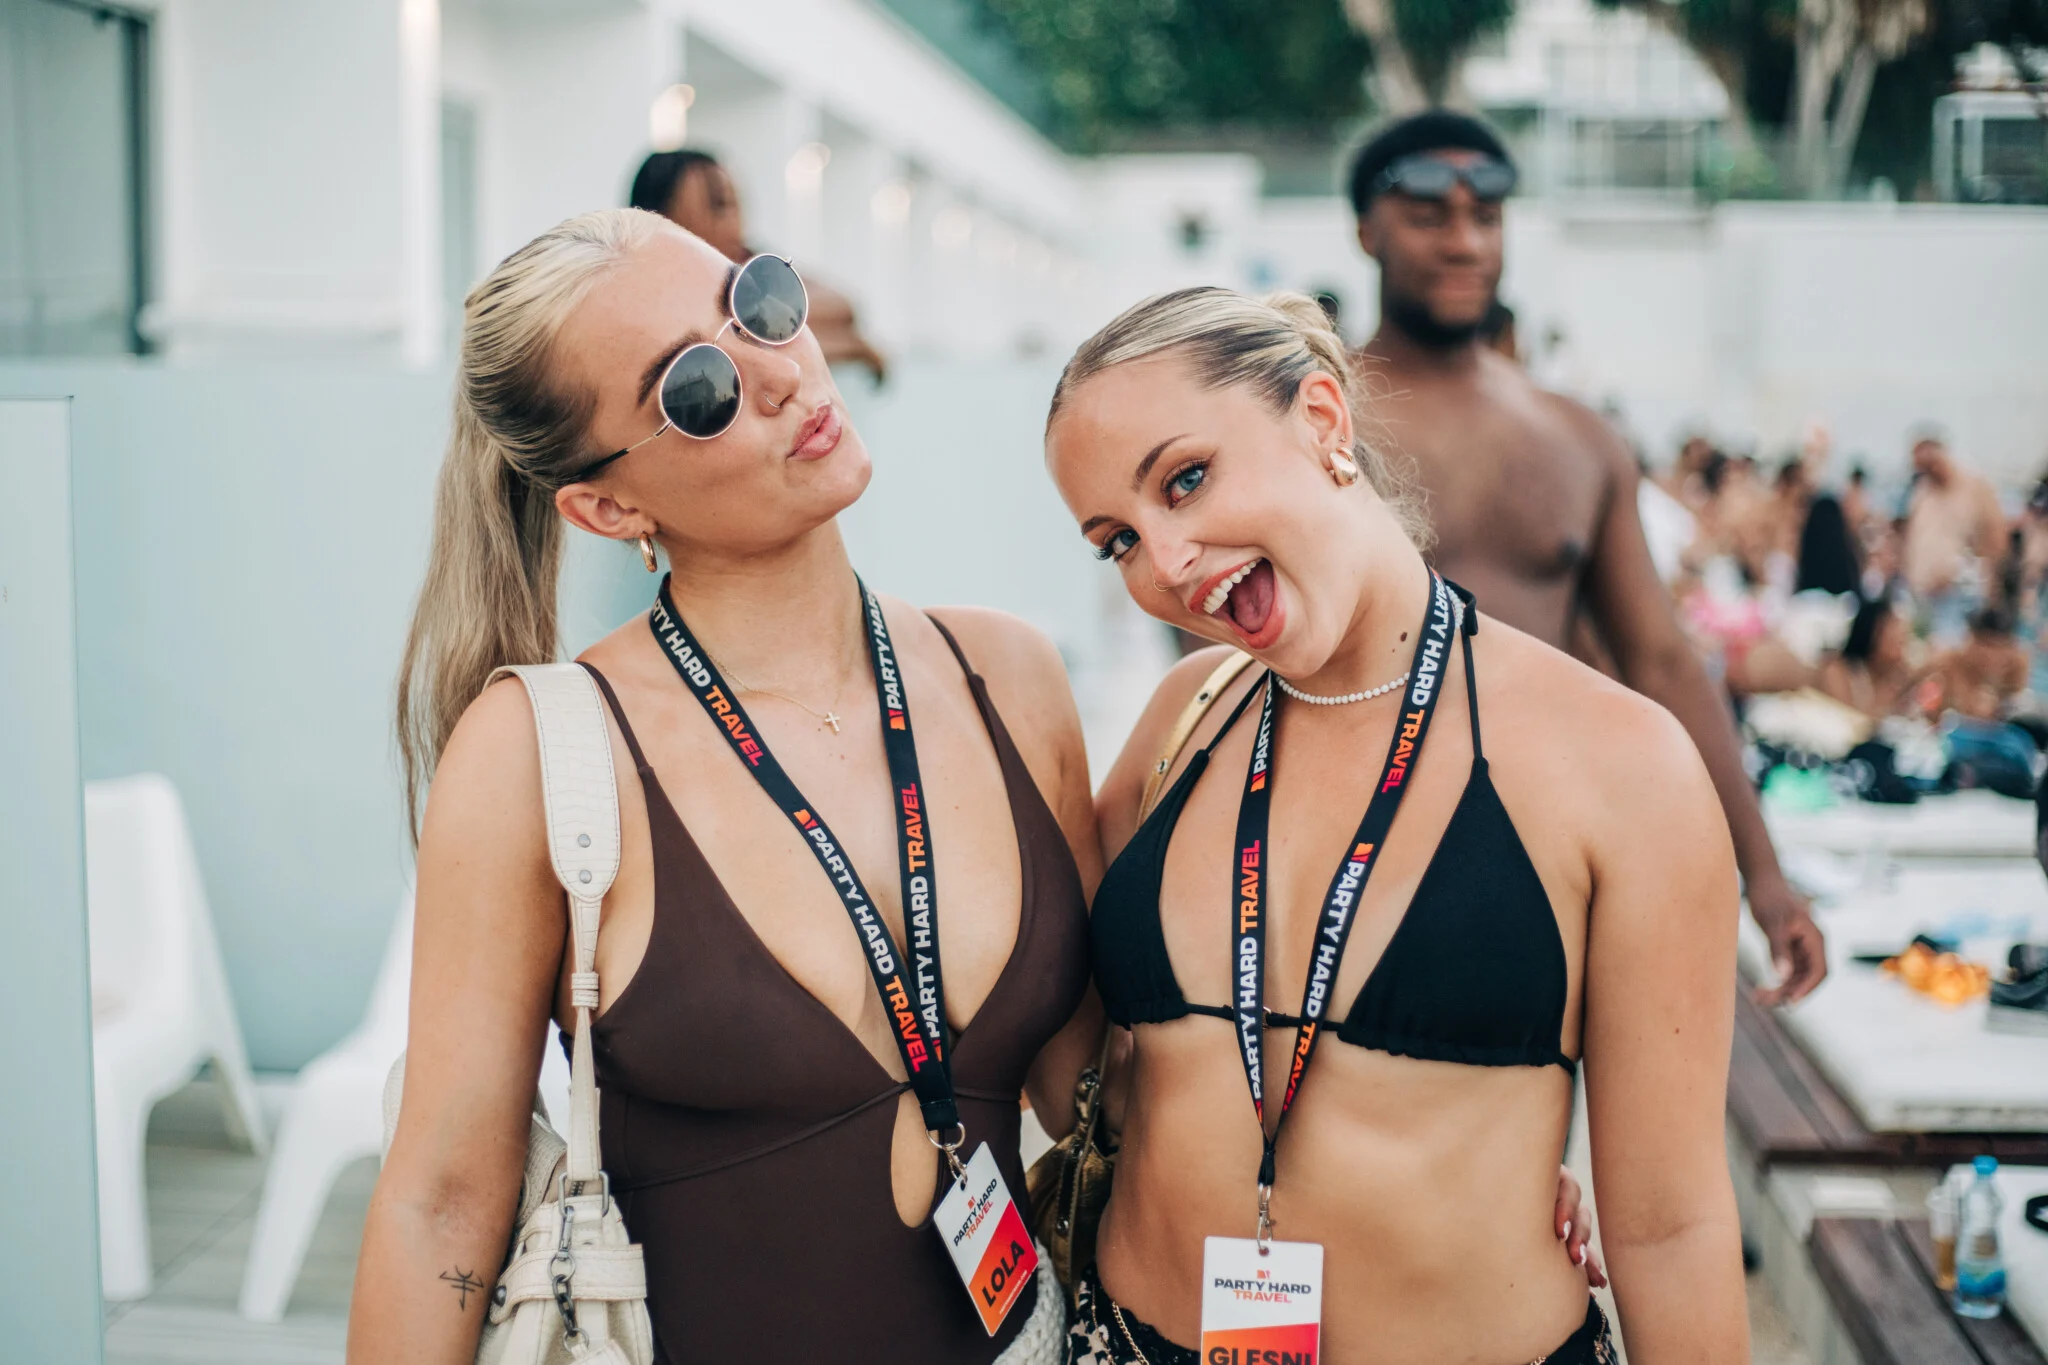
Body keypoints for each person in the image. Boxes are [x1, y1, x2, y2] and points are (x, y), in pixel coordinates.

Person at [353, 208, 1100, 1363]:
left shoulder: (1008, 678)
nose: (777, 369)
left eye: (758, 303)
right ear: (609, 509)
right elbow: (442, 1201)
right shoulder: (541, 753)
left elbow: (1098, 1102)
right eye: (695, 389)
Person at [1047, 287, 1747, 1364]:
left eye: (1185, 479)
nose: (1168, 561)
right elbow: (1072, 1064)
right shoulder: (1180, 722)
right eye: (1119, 542)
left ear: (1322, 418)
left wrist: (1487, 1147)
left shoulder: (1619, 765)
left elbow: (1670, 1226)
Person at [1345, 108, 1826, 1005]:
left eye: (1486, 217)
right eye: (1428, 216)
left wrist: (1763, 875)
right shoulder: (1314, 425)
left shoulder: (1577, 440)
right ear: (1367, 231)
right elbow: (1224, 661)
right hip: (1344, 861)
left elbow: (1662, 662)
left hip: (1539, 858)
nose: (1463, 242)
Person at [629, 148, 889, 381]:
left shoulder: (747, 267)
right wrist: (853, 346)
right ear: (662, 219)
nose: (737, 221)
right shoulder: (655, 308)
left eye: (738, 204)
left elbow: (843, 307)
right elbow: (748, 357)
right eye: (720, 204)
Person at [1901, 429, 2005, 617]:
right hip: (1922, 596)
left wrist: (1957, 574)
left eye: (1930, 464)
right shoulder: (1922, 493)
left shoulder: (1975, 488)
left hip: (1959, 597)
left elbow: (1994, 542)